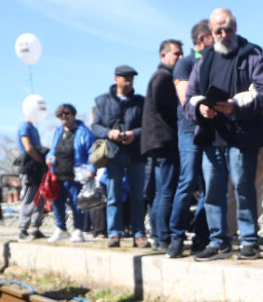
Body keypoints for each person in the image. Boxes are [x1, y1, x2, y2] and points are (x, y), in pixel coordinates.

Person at [185, 8, 263, 261]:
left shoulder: (251, 54)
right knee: (212, 191)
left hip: (242, 135)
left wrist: (235, 106)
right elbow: (189, 99)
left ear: (235, 28)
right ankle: (218, 242)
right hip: (212, 137)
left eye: (228, 29)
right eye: (218, 30)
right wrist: (202, 108)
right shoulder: (204, 60)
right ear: (210, 33)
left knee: (244, 189)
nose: (224, 34)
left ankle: (249, 241)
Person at [168, 20, 215, 258]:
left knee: (210, 184)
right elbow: (185, 97)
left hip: (212, 130)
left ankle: (201, 235)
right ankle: (176, 235)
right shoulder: (185, 64)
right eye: (213, 35)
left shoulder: (215, 61)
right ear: (202, 39)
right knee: (187, 181)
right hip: (189, 130)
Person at [92, 65, 147, 248]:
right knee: (113, 195)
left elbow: (147, 126)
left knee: (138, 196)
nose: (129, 81)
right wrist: (110, 134)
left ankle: (139, 233)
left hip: (135, 153)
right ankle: (114, 233)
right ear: (116, 79)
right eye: (125, 78)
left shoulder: (141, 102)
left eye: (131, 78)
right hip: (114, 154)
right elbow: (96, 126)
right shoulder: (102, 101)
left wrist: (134, 134)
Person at [142, 40, 185, 252]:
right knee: (166, 191)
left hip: (157, 141)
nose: (180, 57)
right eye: (176, 54)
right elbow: (163, 104)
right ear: (163, 55)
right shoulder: (163, 77)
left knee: (161, 192)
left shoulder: (160, 76)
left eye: (181, 53)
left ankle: (159, 237)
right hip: (164, 140)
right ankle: (163, 236)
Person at [48, 103, 93, 243]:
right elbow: (52, 149)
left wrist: (91, 168)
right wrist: (48, 157)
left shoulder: (84, 132)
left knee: (76, 203)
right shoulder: (58, 132)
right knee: (57, 202)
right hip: (58, 174)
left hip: (76, 173)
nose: (64, 117)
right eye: (61, 115)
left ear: (73, 115)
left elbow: (93, 152)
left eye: (67, 114)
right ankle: (61, 228)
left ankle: (78, 230)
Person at [17, 113, 48, 241]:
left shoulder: (33, 128)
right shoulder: (24, 127)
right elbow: (28, 147)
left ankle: (36, 227)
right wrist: (41, 160)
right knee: (29, 197)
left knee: (39, 197)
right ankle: (23, 228)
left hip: (37, 167)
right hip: (30, 167)